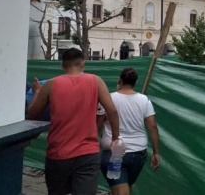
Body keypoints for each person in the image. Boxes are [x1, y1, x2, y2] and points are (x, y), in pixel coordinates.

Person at [26, 48, 120, 195]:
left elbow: (32, 114)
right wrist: (115, 138)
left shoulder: (51, 85)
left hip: (58, 154)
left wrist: (37, 92)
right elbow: (112, 111)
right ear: (83, 64)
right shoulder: (96, 81)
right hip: (88, 154)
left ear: (62, 66)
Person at [97, 67, 160, 195]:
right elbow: (152, 126)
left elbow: (96, 126)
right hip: (138, 153)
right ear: (135, 83)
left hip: (112, 152)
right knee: (125, 187)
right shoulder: (144, 100)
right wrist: (156, 152)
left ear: (119, 80)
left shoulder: (108, 98)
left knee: (120, 190)